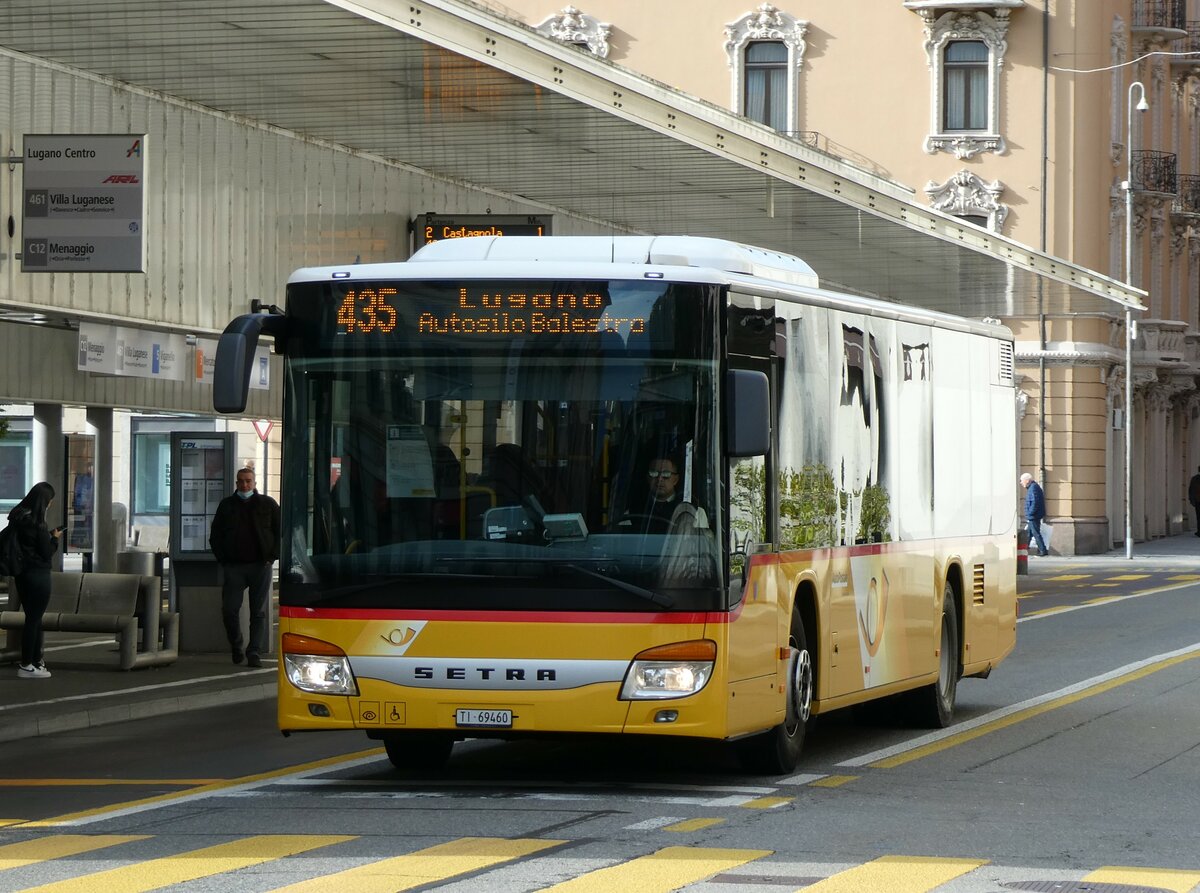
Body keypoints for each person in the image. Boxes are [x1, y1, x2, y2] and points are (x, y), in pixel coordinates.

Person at [209, 467, 280, 667]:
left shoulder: (267, 504)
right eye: (241, 481)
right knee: (229, 609)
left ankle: (254, 652)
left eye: (248, 481)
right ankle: (236, 645)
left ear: (254, 483)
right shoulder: (227, 505)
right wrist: (223, 559)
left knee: (258, 612)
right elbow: (216, 536)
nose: (244, 485)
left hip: (260, 565)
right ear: (236, 483)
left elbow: (280, 531)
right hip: (234, 567)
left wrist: (272, 557)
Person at [8, 482, 63, 679]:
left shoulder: (18, 517)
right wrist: (54, 538)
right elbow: (47, 553)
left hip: (22, 574)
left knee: (32, 618)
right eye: (50, 501)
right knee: (34, 620)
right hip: (38, 575)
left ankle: (35, 661)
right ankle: (27, 665)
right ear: (44, 502)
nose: (51, 504)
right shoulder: (38, 525)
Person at [641, 455, 683, 533]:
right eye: (654, 473)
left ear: (676, 479)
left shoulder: (688, 509)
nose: (659, 479)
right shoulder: (635, 508)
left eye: (666, 474)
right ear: (648, 478)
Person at [1020, 472, 1048, 557]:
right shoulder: (1033, 487)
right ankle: (1024, 549)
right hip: (1033, 515)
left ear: (1027, 480)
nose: (1021, 483)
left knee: (1035, 533)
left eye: (1022, 481)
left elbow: (1034, 502)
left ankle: (1043, 550)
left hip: (1033, 516)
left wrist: (1030, 513)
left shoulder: (1033, 488)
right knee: (1029, 533)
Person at [1188, 466, 1200, 537]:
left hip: (1197, 501)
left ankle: (1199, 531)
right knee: (1198, 516)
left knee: (1198, 517)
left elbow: (1191, 490)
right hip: (1197, 500)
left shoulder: (1194, 479)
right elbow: (1191, 490)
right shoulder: (1194, 479)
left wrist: (1192, 500)